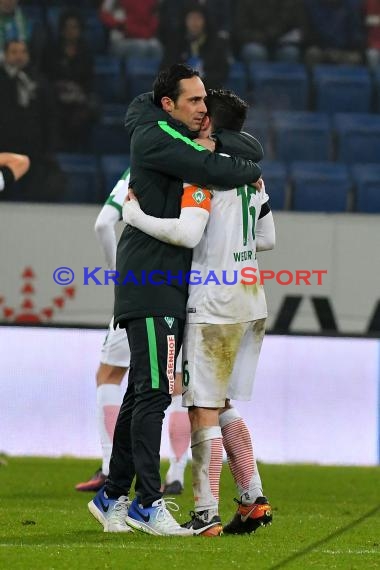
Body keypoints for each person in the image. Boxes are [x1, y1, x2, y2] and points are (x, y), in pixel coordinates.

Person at [88, 63, 262, 536]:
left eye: (206, 102)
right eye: (194, 101)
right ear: (169, 104)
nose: (202, 108)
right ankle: (148, 502)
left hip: (162, 285)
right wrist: (248, 170)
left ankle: (112, 496)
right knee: (155, 393)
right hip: (154, 283)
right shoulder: (158, 141)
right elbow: (210, 176)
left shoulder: (165, 129)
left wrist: (229, 150)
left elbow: (240, 147)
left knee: (142, 392)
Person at [76, 167, 190, 493]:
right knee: (174, 382)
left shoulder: (139, 169)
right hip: (179, 292)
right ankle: (177, 472)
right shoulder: (193, 165)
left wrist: (121, 278)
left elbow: (102, 224)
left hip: (138, 293)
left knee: (110, 376)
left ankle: (112, 466)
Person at [160, 3, 230, 89]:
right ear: (185, 20)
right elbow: (165, 69)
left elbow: (222, 72)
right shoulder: (175, 42)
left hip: (208, 91)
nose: (194, 22)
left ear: (205, 21)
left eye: (198, 18)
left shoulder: (215, 43)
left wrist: (202, 80)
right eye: (191, 18)